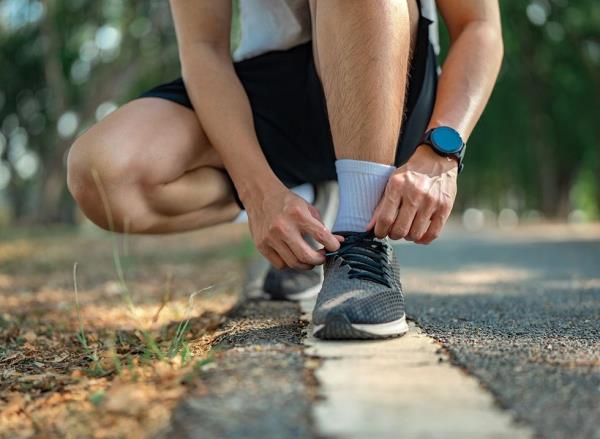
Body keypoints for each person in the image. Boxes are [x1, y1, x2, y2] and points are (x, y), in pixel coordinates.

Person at [67, 0, 503, 340]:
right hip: (271, 84)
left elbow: (478, 26)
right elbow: (203, 50)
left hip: (392, 74)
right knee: (103, 176)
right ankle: (311, 201)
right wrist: (260, 194)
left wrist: (442, 150)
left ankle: (359, 246)